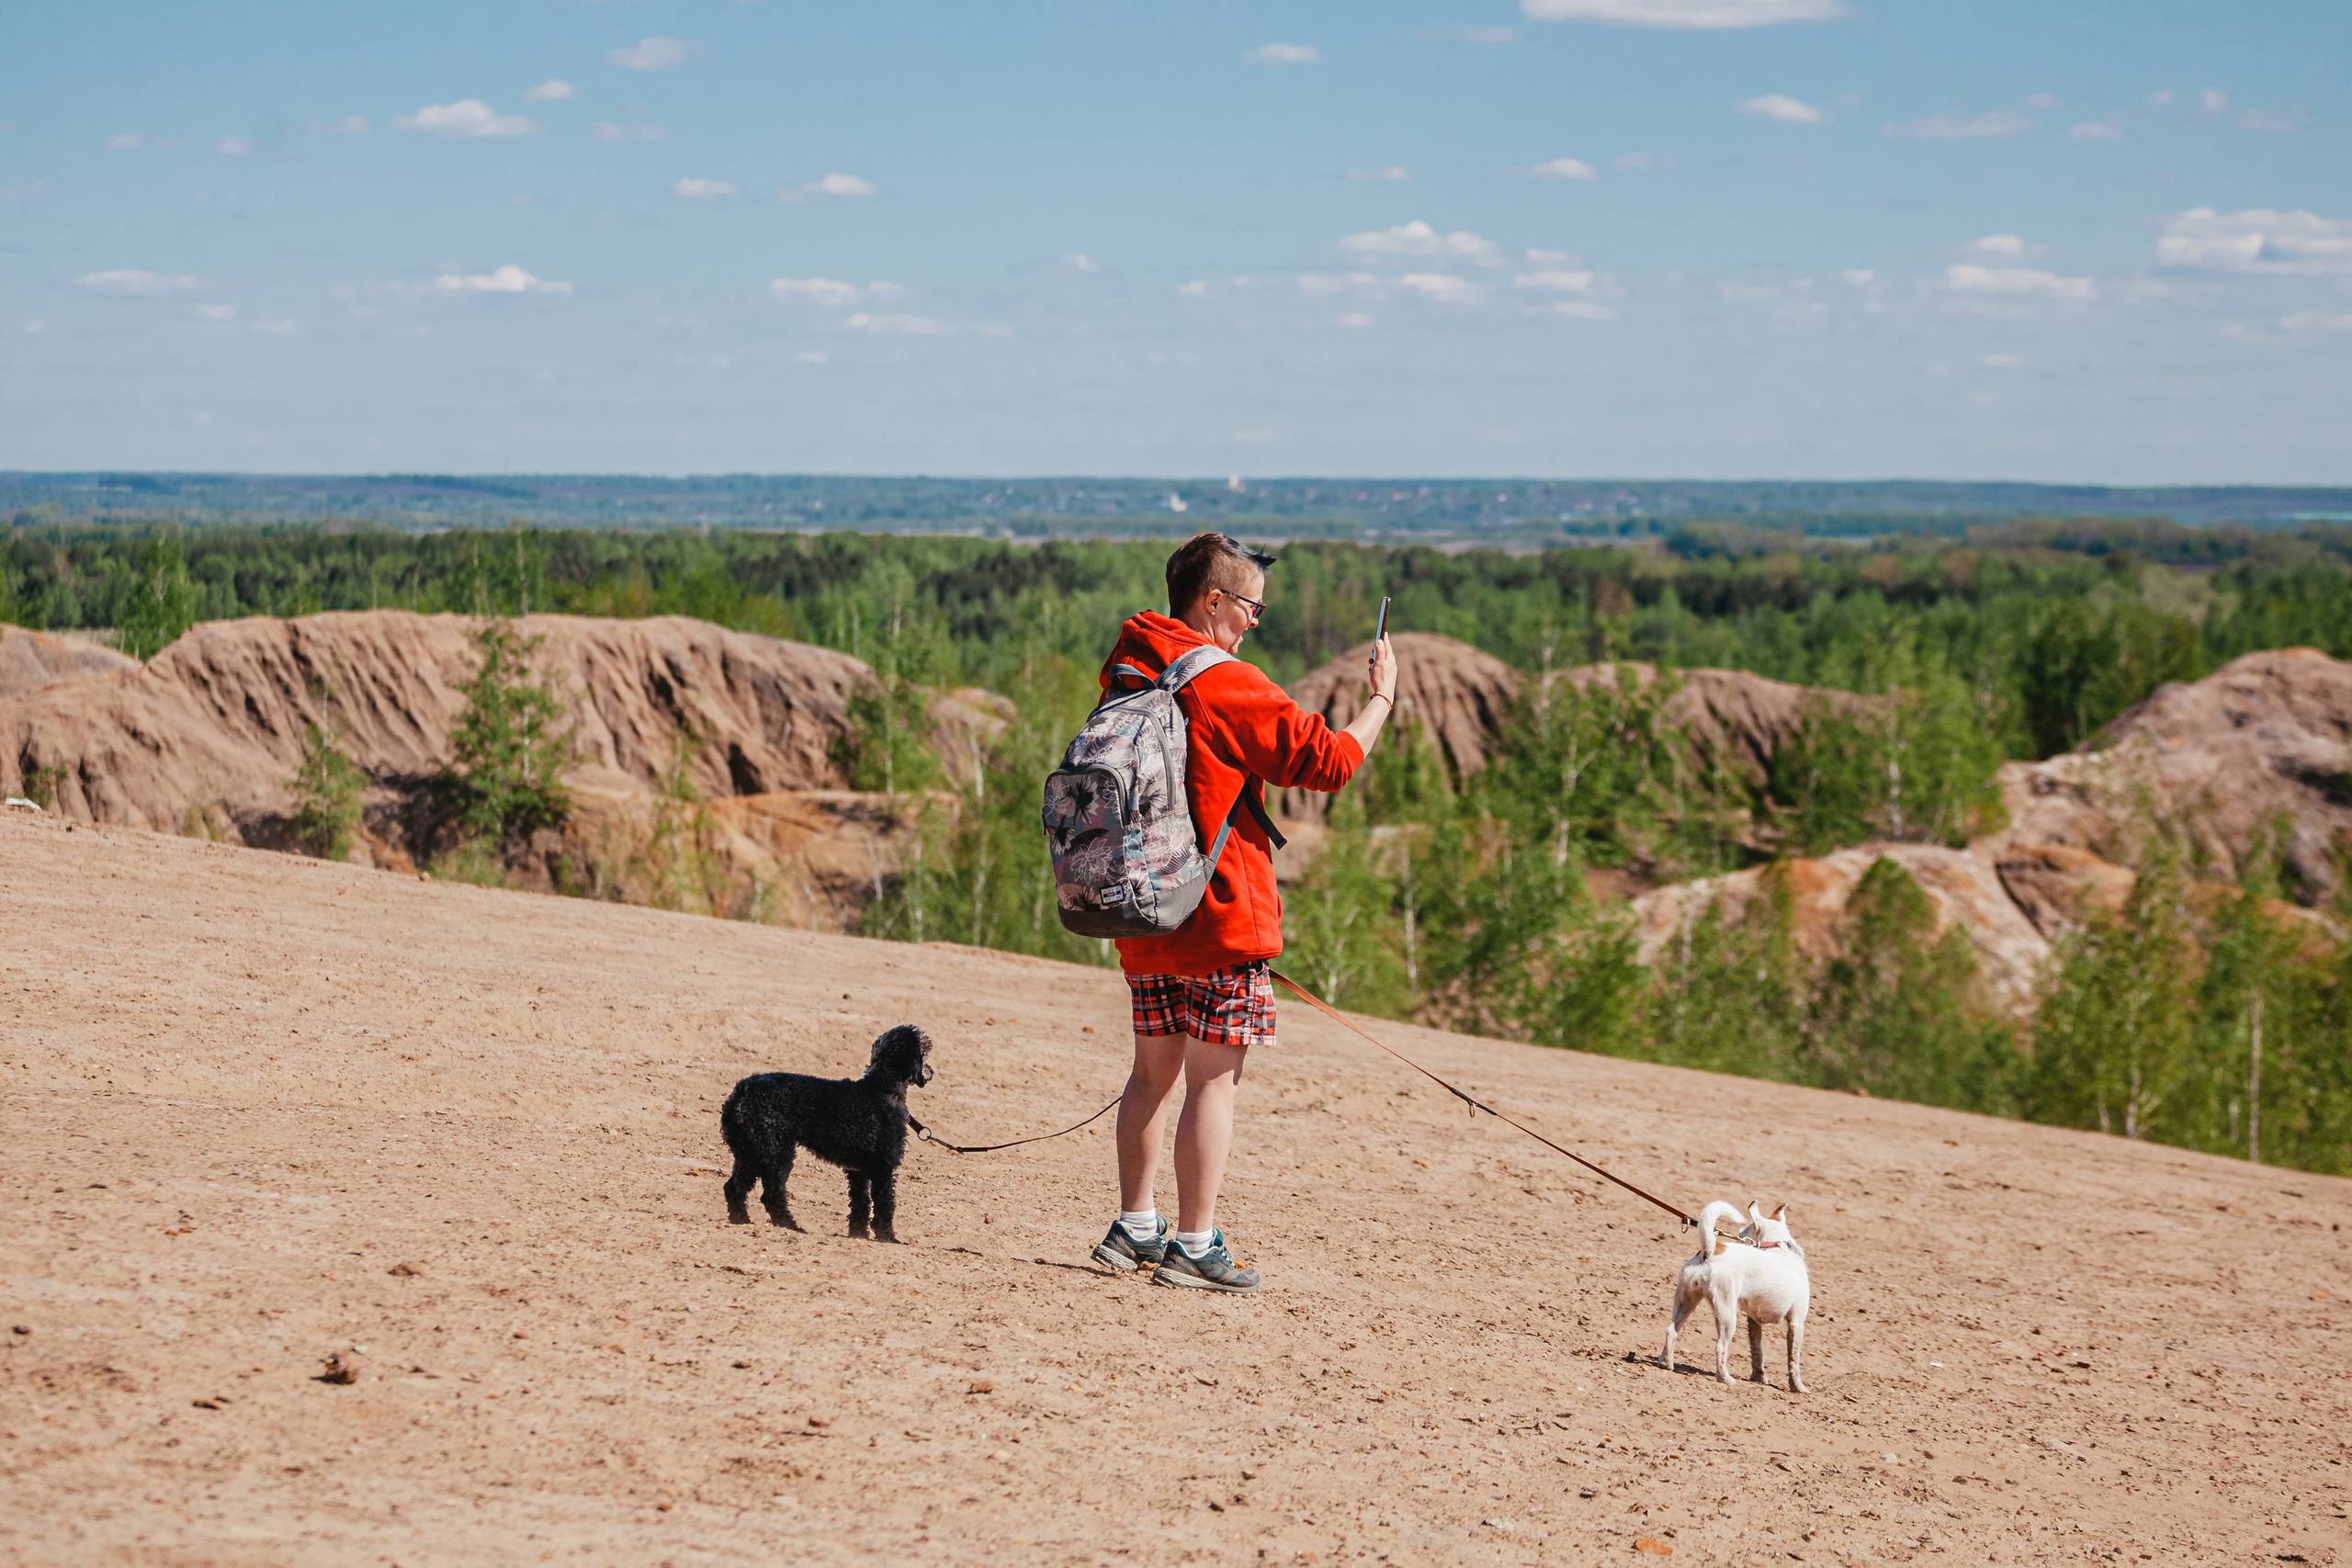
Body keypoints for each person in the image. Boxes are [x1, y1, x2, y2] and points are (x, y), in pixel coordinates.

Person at [1090, 533, 1399, 1293]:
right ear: (1213, 600)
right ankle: (1195, 1243)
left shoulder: (1129, 664)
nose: (1256, 621)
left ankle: (1135, 1226)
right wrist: (1382, 701)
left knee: (1150, 1075)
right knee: (1211, 1085)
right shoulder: (1226, 681)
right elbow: (1327, 762)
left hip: (1142, 910)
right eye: (1251, 606)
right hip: (1219, 912)